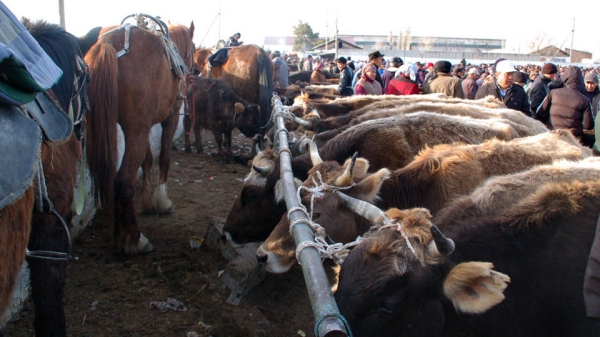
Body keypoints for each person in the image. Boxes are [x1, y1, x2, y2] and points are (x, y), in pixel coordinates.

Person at [535, 66, 593, 138]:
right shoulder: (584, 100)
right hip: (573, 139)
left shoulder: (553, 93)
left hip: (553, 135)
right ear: (581, 80)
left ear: (565, 77)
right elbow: (588, 125)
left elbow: (540, 112)